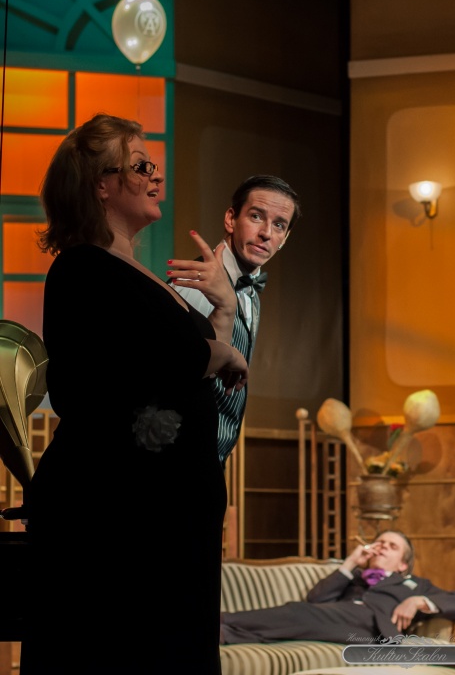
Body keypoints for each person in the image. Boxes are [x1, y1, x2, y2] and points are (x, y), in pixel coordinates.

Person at [19, 113, 249, 675]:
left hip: (168, 522)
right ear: (101, 184)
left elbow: (194, 369)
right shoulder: (82, 268)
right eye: (141, 166)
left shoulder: (139, 276)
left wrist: (224, 309)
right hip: (119, 524)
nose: (156, 176)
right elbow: (139, 367)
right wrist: (217, 354)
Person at [167, 174, 302, 467]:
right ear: (231, 219)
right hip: (180, 459)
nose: (266, 233)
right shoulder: (196, 286)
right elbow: (171, 376)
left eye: (279, 225)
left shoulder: (251, 292)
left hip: (211, 461)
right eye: (256, 216)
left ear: (285, 238)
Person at [220, 530, 455, 644]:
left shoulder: (415, 585)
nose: (382, 547)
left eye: (392, 546)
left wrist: (417, 601)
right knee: (300, 623)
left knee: (298, 611)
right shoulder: (354, 577)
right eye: (379, 543)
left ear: (402, 565)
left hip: (376, 630)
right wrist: (351, 563)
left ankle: (223, 618)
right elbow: (317, 599)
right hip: (339, 624)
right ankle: (226, 634)